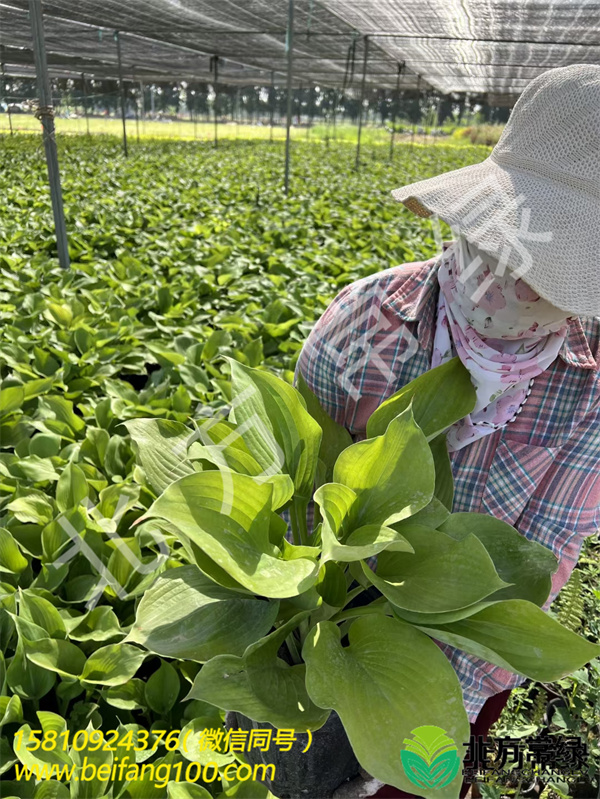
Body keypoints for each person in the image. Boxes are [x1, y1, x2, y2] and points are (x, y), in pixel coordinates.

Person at [296, 64, 600, 799]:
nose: (508, 282)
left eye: (547, 272)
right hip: (325, 627)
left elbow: (528, 584)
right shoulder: (360, 322)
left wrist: (409, 723)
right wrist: (312, 661)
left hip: (462, 653)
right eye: (492, 243)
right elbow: (296, 510)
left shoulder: (593, 392)